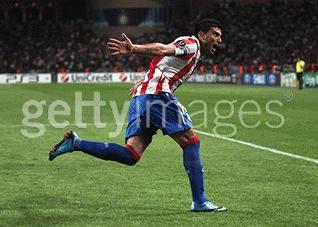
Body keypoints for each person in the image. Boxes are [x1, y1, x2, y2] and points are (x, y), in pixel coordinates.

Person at [49, 19, 226, 212]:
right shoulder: (191, 44)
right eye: (215, 34)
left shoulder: (194, 51)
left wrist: (143, 81)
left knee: (131, 154)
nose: (219, 39)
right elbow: (163, 49)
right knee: (190, 141)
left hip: (142, 96)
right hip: (156, 95)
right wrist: (134, 48)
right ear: (202, 35)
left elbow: (161, 64)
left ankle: (76, 143)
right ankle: (199, 201)